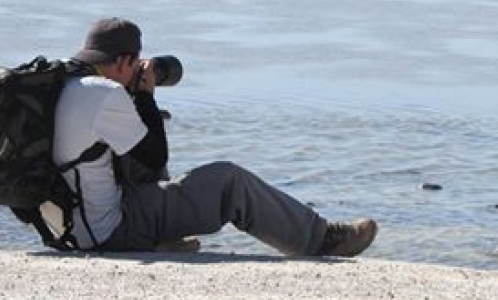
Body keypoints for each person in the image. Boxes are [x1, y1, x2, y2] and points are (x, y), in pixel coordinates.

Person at [38, 16, 378, 257]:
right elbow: (156, 157)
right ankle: (320, 240)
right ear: (126, 61)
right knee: (230, 182)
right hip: (106, 231)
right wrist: (145, 97)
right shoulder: (105, 94)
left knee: (141, 166)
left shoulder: (64, 86)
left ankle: (162, 239)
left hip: (65, 228)